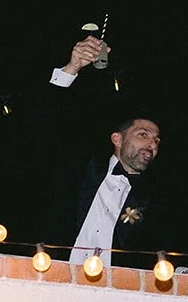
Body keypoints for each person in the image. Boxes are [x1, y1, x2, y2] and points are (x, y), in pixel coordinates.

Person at [42, 35, 165, 270]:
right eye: (143, 135)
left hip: (112, 291)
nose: (152, 144)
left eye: (156, 140)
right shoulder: (80, 169)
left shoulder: (155, 197)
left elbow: (162, 246)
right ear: (117, 139)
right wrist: (72, 68)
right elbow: (50, 126)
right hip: (54, 275)